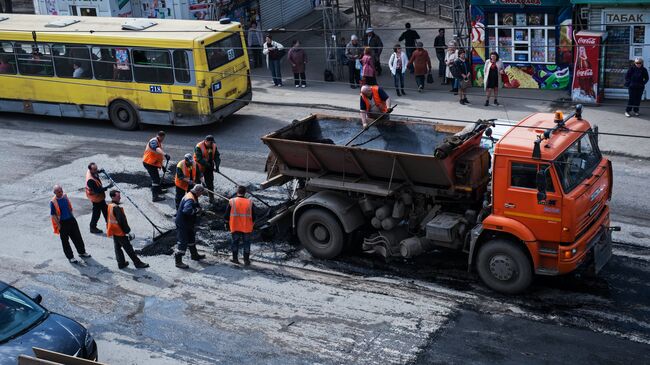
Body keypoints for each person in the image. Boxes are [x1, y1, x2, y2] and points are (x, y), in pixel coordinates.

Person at [106, 190, 149, 269]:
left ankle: (121, 263)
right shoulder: (116, 208)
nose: (120, 198)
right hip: (119, 232)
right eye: (118, 196)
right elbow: (122, 221)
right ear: (113, 197)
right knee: (129, 248)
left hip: (114, 230)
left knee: (117, 248)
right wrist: (128, 232)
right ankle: (137, 263)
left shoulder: (110, 205)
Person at [50, 185, 91, 264]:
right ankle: (70, 257)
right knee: (65, 241)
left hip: (71, 220)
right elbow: (53, 215)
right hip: (62, 223)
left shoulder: (65, 197)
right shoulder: (53, 202)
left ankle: (82, 252)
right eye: (59, 192)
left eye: (61, 190)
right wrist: (59, 225)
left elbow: (69, 207)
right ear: (54, 192)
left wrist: (72, 216)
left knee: (77, 237)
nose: (61, 192)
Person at [174, 184, 206, 269]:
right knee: (183, 241)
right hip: (183, 223)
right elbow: (187, 210)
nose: (201, 195)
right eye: (201, 193)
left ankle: (194, 255)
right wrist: (197, 210)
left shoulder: (191, 195)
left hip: (188, 223)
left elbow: (195, 205)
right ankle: (178, 261)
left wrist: (199, 209)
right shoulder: (190, 199)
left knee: (191, 239)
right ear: (198, 191)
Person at [224, 185, 255, 265]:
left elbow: (226, 216)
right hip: (246, 227)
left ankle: (235, 259)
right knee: (246, 243)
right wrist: (252, 224)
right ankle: (246, 260)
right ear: (245, 193)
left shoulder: (232, 201)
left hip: (235, 226)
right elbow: (254, 216)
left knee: (235, 242)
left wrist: (226, 224)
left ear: (237, 192)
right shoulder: (250, 202)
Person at [86, 162, 113, 234]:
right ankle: (93, 227)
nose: (96, 170)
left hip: (99, 198)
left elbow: (95, 171)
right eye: (94, 169)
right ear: (90, 170)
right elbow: (97, 191)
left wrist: (100, 171)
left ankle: (110, 226)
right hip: (96, 198)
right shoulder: (90, 180)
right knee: (97, 213)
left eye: (96, 168)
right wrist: (108, 187)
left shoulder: (90, 171)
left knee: (105, 211)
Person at [142, 131, 170, 202]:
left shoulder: (158, 142)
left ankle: (159, 190)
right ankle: (155, 197)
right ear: (160, 136)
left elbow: (157, 156)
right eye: (163, 138)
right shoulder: (153, 141)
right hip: (149, 163)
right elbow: (156, 148)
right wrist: (165, 154)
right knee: (155, 180)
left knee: (157, 178)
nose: (163, 139)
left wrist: (162, 166)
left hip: (153, 163)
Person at [194, 135, 221, 204]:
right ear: (206, 141)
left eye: (212, 142)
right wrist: (209, 165)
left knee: (210, 182)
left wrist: (217, 166)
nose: (212, 144)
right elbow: (199, 159)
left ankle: (211, 199)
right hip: (198, 166)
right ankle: (194, 200)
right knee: (197, 184)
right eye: (210, 142)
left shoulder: (213, 146)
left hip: (209, 166)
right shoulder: (199, 147)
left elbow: (217, 156)